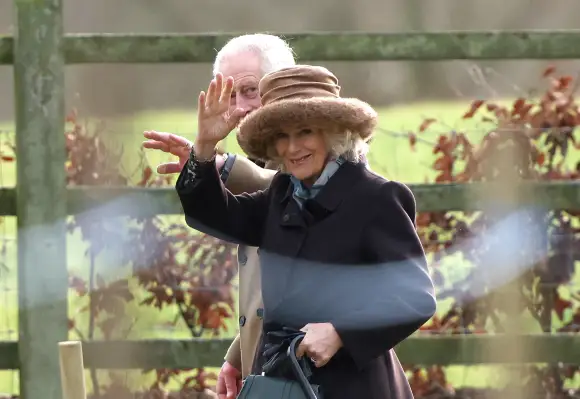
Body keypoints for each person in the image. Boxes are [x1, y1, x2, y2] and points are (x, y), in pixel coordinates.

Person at [174, 65, 437, 398]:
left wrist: (341, 333)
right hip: (280, 384)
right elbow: (212, 216)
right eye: (282, 136)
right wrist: (205, 148)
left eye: (305, 132)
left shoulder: (377, 198)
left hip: (355, 387)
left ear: (334, 132)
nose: (293, 147)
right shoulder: (281, 194)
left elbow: (414, 297)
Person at [142, 34, 294, 399]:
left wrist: (222, 165)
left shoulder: (324, 146)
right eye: (228, 94)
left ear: (282, 89)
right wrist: (239, 356)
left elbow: (292, 195)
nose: (239, 107)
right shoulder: (263, 157)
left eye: (250, 90)